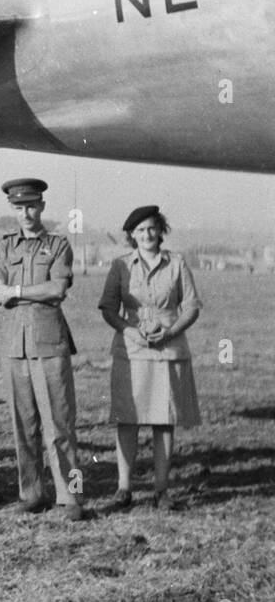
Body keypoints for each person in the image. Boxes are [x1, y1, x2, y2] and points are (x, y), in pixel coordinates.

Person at [0, 178, 88, 522]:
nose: (26, 214)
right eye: (18, 208)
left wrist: (16, 290)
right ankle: (31, 494)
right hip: (15, 344)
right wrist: (24, 290)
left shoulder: (58, 246)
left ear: (42, 206)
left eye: (31, 206)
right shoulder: (4, 248)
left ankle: (71, 498)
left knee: (59, 425)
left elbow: (57, 289)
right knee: (24, 425)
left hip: (49, 343)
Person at [98, 205, 201, 511]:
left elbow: (192, 306)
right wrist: (128, 331)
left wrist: (170, 333)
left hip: (168, 351)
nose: (147, 235)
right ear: (132, 235)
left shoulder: (178, 263)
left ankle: (161, 491)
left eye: (152, 228)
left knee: (163, 420)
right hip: (131, 352)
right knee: (127, 420)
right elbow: (107, 306)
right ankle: (124, 489)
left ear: (161, 230)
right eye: (140, 230)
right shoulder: (120, 266)